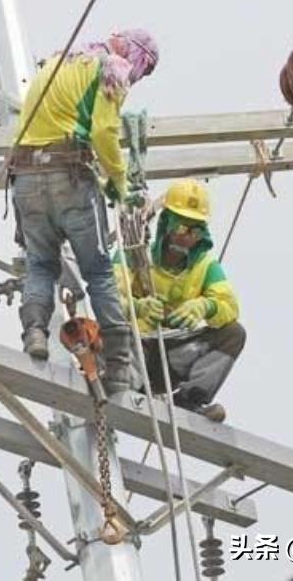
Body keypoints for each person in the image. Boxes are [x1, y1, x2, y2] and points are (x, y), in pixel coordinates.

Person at [10, 29, 160, 395]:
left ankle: (35, 332)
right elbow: (104, 130)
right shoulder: (112, 68)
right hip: (70, 175)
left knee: (40, 264)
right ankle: (121, 368)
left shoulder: (60, 61)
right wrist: (120, 183)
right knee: (98, 272)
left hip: (26, 179)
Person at [114, 179, 246, 422]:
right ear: (167, 224)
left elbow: (230, 307)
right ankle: (127, 384)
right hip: (133, 351)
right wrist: (137, 307)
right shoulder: (134, 254)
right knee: (115, 329)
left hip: (171, 356)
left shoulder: (206, 266)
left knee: (233, 333)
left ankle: (190, 398)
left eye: (195, 231)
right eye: (182, 228)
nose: (187, 237)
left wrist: (205, 306)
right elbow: (108, 298)